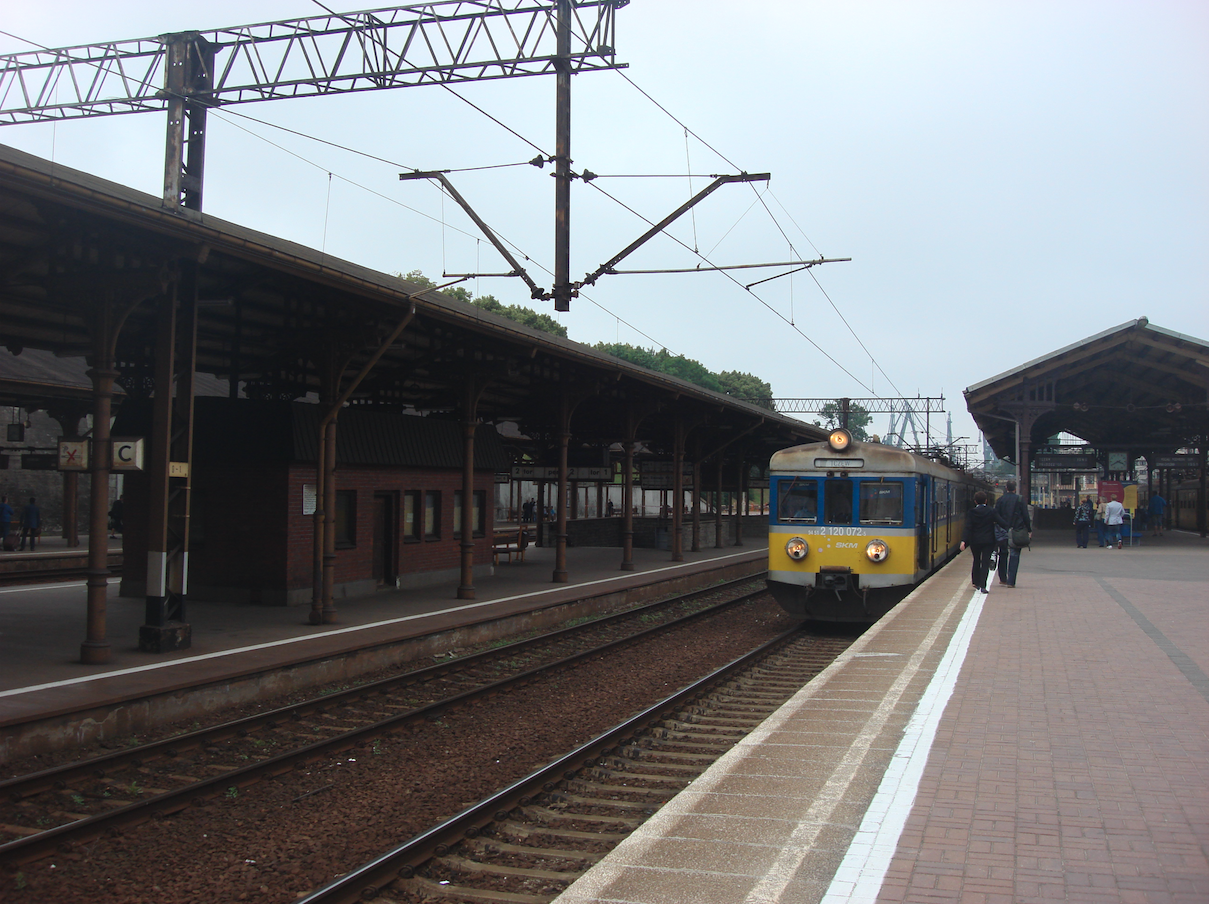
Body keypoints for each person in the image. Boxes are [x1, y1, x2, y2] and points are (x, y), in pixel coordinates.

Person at [960, 490, 1008, 594]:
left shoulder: (971, 512)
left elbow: (968, 527)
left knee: (976, 560)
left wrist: (964, 540)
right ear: (986, 501)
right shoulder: (991, 511)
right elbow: (1002, 523)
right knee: (985, 562)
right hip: (988, 541)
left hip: (975, 541)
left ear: (975, 501)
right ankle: (983, 586)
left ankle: (975, 582)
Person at [993, 480, 1032, 587]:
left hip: (1003, 530)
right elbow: (1025, 516)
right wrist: (1029, 530)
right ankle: (1011, 581)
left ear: (1006, 488)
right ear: (1015, 488)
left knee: (1003, 553)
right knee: (1014, 554)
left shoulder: (1000, 500)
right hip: (1016, 530)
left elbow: (995, 516)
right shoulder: (1020, 499)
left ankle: (1003, 578)